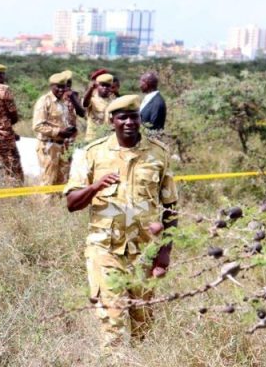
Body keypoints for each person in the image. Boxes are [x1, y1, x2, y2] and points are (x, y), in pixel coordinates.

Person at [64, 94, 178, 349]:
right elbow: (72, 203)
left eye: (133, 116)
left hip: (144, 251)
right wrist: (94, 187)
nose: (129, 122)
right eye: (122, 117)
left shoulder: (158, 154)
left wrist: (165, 251)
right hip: (105, 248)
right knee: (112, 322)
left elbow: (171, 207)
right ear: (112, 120)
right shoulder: (92, 153)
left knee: (142, 320)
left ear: (140, 119)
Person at [32, 71, 78, 191]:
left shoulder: (63, 102)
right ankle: (45, 209)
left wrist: (69, 131)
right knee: (48, 180)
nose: (61, 90)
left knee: (62, 179)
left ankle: (57, 207)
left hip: (64, 146)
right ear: (51, 86)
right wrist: (59, 132)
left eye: (63, 87)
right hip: (49, 146)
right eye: (58, 86)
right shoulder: (44, 101)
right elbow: (37, 126)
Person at [82, 73, 115, 142]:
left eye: (108, 86)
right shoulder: (92, 99)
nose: (105, 88)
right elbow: (85, 104)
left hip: (107, 137)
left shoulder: (113, 101)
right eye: (103, 85)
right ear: (97, 86)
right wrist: (91, 89)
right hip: (93, 138)